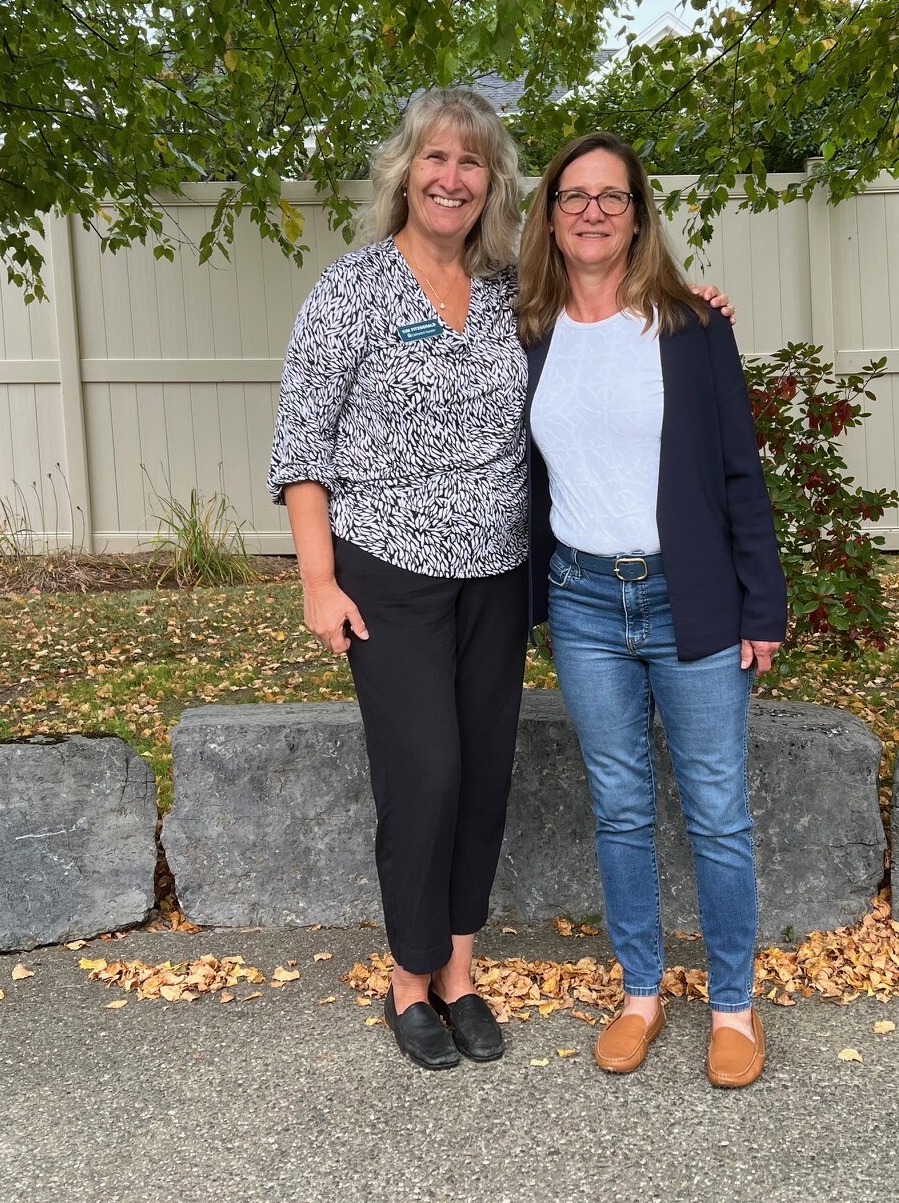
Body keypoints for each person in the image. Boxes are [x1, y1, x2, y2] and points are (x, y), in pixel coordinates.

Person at [271, 91, 737, 1071]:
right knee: (425, 772)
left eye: (471, 163)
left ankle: (459, 973)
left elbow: (610, 345)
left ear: (492, 184)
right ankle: (407, 979)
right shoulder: (349, 290)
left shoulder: (506, 296)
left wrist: (700, 317)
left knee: (483, 777)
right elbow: (301, 444)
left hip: (497, 573)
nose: (450, 177)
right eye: (435, 158)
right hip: (386, 572)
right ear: (406, 170)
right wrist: (318, 576)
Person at [519, 132, 788, 1089]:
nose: (592, 210)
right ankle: (640, 992)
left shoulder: (691, 326)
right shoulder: (527, 329)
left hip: (693, 599)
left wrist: (764, 605)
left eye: (613, 195)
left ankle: (731, 1004)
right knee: (621, 807)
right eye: (574, 195)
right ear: (550, 214)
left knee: (716, 810)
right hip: (584, 602)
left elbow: (737, 475)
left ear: (638, 214)